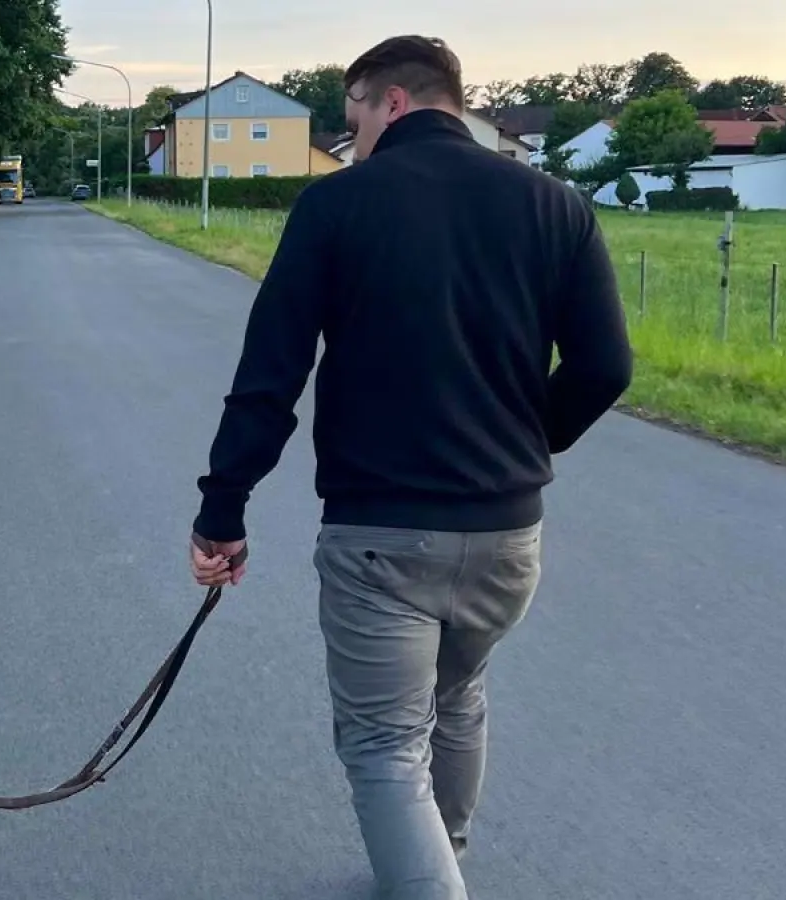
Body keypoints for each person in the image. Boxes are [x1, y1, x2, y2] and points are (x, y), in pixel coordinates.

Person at [186, 35, 634, 900]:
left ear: (390, 100)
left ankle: (429, 885)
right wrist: (527, 445)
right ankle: (438, 863)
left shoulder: (336, 207)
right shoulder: (556, 204)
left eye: (352, 114)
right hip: (508, 535)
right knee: (457, 696)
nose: (349, 134)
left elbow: (270, 376)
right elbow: (605, 367)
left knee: (384, 743)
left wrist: (222, 510)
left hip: (381, 538)